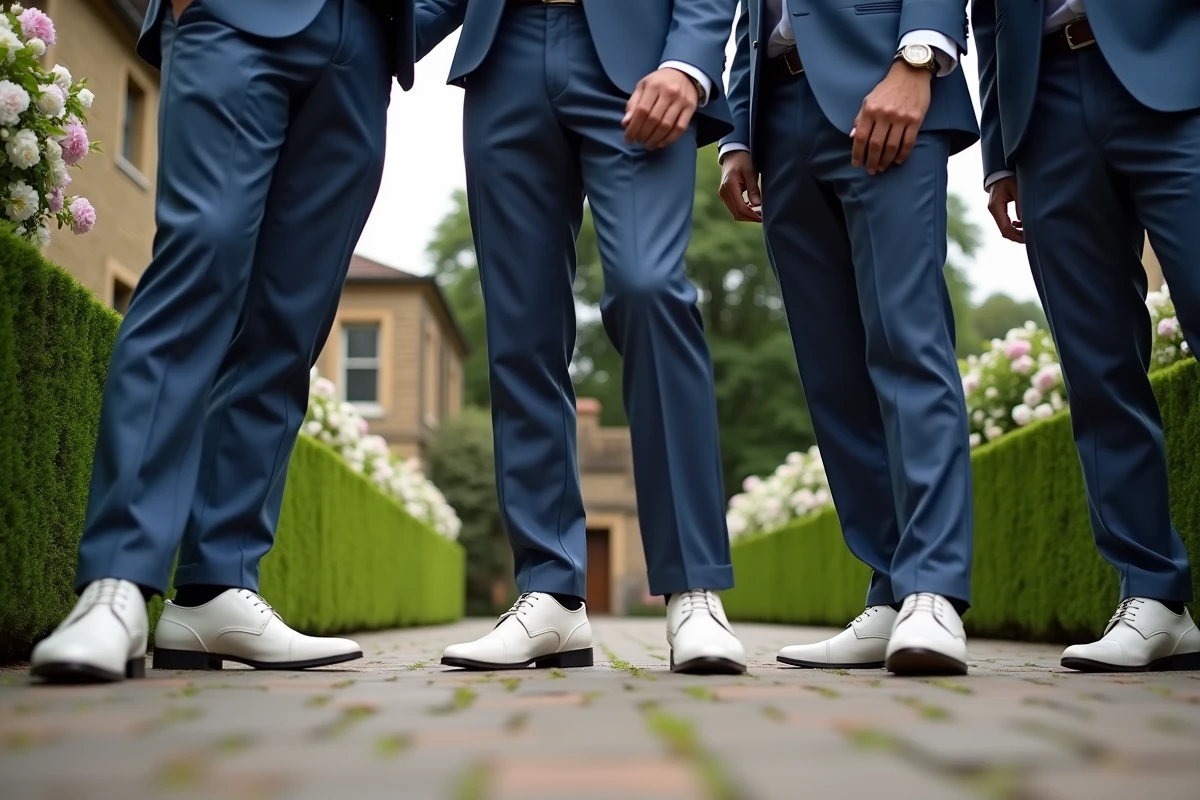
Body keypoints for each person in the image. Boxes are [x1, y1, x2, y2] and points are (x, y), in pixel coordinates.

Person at [30, 0, 414, 683]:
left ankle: (217, 589)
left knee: (289, 322)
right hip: (233, 14)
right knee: (197, 267)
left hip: (362, 45)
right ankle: (115, 583)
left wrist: (401, 32)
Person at [416, 0, 747, 675]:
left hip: (638, 61)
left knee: (648, 288)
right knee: (521, 326)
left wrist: (688, 62)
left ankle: (693, 588)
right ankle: (550, 592)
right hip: (502, 51)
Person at [719, 0, 978, 676]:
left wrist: (917, 57)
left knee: (908, 345)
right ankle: (891, 590)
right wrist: (738, 132)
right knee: (832, 376)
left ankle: (933, 589)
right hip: (780, 114)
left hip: (886, 86)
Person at [973, 0, 1200, 671]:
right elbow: (987, 15)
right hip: (1043, 108)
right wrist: (1000, 150)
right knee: (1097, 367)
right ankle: (1154, 595)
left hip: (1179, 71)